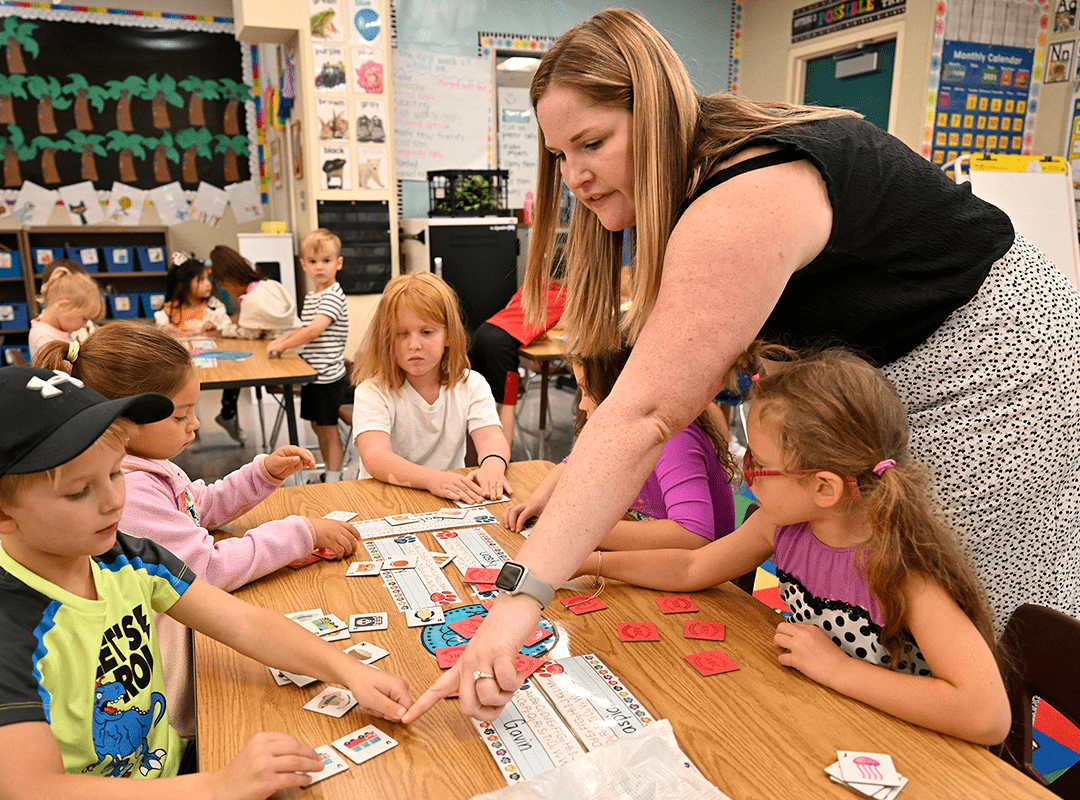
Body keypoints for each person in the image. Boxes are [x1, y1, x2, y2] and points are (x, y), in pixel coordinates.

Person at [401, 8, 1080, 724]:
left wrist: (519, 602)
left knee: (976, 639)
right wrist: (564, 523)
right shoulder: (701, 181)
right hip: (903, 379)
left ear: (657, 115)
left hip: (1001, 373)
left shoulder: (745, 192)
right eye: (560, 155)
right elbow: (640, 400)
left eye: (593, 143)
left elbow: (647, 413)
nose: (576, 177)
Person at [0, 366, 411, 798]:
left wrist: (349, 670)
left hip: (171, 773)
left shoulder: (124, 557)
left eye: (116, 473)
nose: (112, 502)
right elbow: (35, 790)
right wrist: (218, 785)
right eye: (79, 491)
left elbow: (244, 624)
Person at [572, 348, 1010, 745]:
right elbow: (691, 567)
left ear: (823, 487)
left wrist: (838, 669)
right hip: (822, 720)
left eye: (758, 464)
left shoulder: (902, 569)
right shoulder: (782, 524)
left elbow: (985, 715)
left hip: (907, 747)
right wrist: (590, 563)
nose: (744, 476)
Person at [35, 320, 362, 739]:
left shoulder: (145, 462)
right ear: (122, 421)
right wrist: (300, 533)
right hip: (167, 710)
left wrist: (261, 473)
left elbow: (196, 506)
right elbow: (206, 570)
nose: (195, 426)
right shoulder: (129, 490)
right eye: (182, 416)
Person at [503, 344, 736, 549]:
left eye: (586, 391)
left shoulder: (675, 440)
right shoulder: (623, 429)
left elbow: (692, 536)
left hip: (702, 585)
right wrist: (539, 500)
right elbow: (575, 463)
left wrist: (582, 531)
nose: (582, 404)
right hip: (659, 561)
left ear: (619, 393)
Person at [352, 272, 510, 504]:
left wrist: (493, 467)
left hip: (447, 498)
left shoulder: (472, 384)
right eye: (401, 334)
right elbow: (375, 456)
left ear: (448, 335)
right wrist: (432, 480)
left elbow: (490, 439)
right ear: (386, 339)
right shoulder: (372, 391)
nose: (414, 345)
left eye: (426, 332)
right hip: (386, 498)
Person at [267, 229, 351, 482]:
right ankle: (329, 472)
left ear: (338, 263)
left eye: (326, 261)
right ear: (303, 264)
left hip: (328, 378)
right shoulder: (313, 296)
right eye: (313, 262)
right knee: (317, 426)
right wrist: (280, 341)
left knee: (328, 430)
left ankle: (334, 479)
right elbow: (303, 329)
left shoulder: (333, 295)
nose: (319, 268)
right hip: (314, 376)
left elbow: (314, 330)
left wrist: (282, 346)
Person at [467, 251, 566, 446]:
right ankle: (503, 456)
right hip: (503, 346)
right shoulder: (568, 296)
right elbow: (566, 325)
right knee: (508, 402)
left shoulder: (534, 285)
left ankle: (472, 454)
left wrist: (532, 332)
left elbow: (511, 306)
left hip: (483, 331)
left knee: (472, 398)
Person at [208, 244, 298, 442]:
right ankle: (227, 414)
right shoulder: (269, 284)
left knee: (234, 365)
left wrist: (222, 330)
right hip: (294, 348)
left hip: (285, 359)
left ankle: (227, 414)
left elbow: (250, 333)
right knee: (235, 362)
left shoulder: (251, 299)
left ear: (228, 281)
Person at [28, 265, 104, 358]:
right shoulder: (44, 338)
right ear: (63, 306)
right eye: (84, 319)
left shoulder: (56, 329)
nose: (85, 325)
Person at [155, 254, 231, 335]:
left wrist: (215, 328)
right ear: (184, 285)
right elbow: (158, 332)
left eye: (208, 278)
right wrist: (163, 329)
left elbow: (227, 328)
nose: (208, 283)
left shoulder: (214, 306)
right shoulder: (169, 310)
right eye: (201, 280)